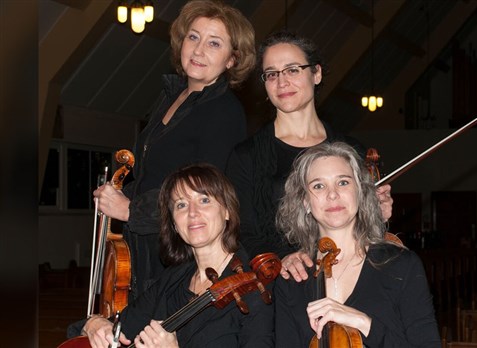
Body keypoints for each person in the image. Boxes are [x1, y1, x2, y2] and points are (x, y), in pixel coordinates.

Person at [93, 0, 256, 301]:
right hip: (146, 246)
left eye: (214, 43)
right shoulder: (171, 97)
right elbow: (151, 175)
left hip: (178, 254)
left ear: (232, 60)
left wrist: (130, 210)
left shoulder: (224, 111)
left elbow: (207, 191)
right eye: (193, 37)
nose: (198, 50)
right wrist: (118, 195)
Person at [225, 30, 393, 281]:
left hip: (346, 278)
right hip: (280, 283)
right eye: (272, 74)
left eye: (293, 70)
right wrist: (281, 257)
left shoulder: (353, 151)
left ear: (316, 73)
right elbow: (242, 231)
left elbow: (365, 230)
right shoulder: (245, 156)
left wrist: (378, 214)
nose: (282, 82)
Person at [81, 163, 274, 348]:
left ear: (227, 211)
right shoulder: (173, 280)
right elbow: (120, 327)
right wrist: (94, 324)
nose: (192, 212)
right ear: (174, 223)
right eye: (181, 205)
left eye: (204, 200)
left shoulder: (255, 290)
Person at [274, 142, 440, 347]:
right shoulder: (292, 280)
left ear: (360, 193)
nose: (332, 194)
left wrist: (364, 323)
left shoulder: (401, 265)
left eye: (343, 182)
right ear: (305, 202)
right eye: (318, 185)